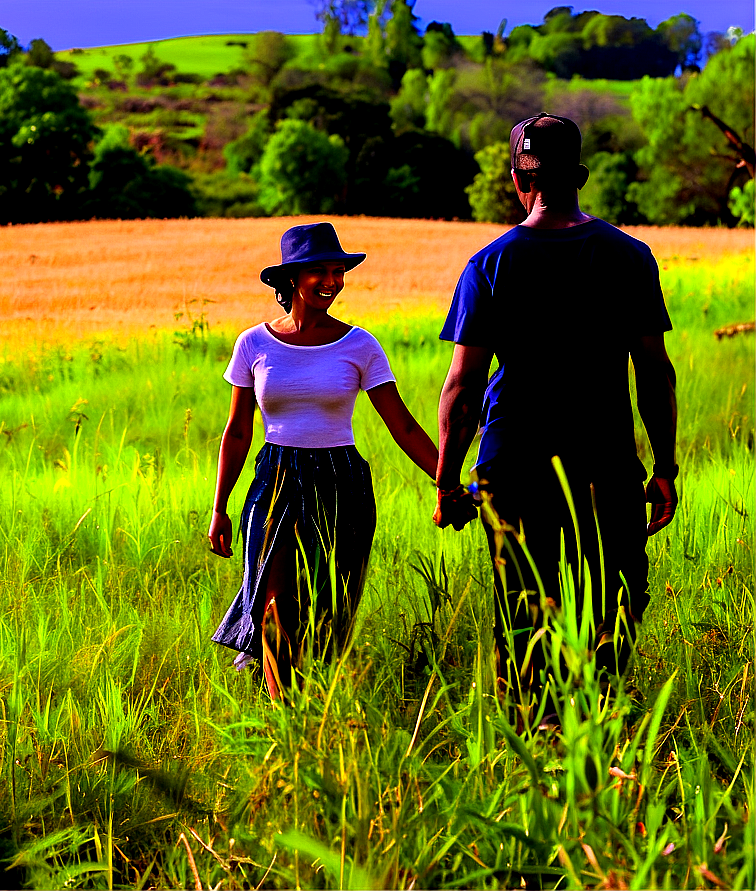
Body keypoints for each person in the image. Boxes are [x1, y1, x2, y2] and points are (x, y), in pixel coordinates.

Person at [434, 113, 678, 727]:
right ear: (581, 178)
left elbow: (462, 388)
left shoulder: (488, 264)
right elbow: (654, 372)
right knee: (613, 604)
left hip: (512, 469)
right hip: (605, 466)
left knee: (522, 612)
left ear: (520, 180)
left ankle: (535, 751)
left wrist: (447, 481)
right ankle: (596, 737)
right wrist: (665, 469)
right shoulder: (629, 257)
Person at [209, 222, 438, 701]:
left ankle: (311, 698)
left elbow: (404, 427)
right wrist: (219, 508)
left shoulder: (360, 345)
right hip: (275, 478)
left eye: (339, 271)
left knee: (327, 608)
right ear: (291, 278)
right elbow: (238, 430)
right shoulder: (253, 343)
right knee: (273, 603)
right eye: (320, 272)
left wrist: (447, 480)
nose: (332, 282)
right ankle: (285, 715)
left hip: (341, 481)